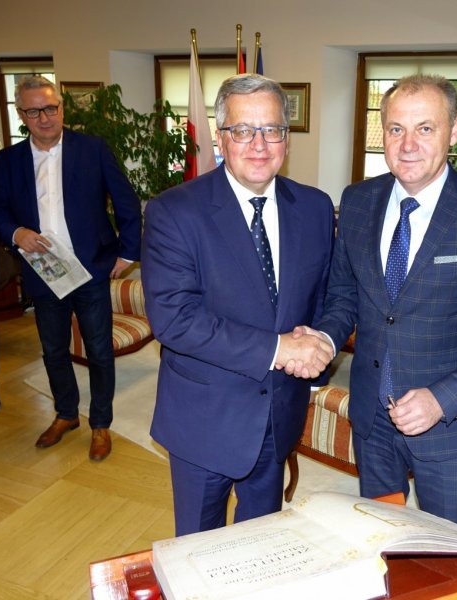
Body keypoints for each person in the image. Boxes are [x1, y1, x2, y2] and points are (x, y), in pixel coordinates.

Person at [304, 74, 457, 527]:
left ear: (454, 132)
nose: (407, 144)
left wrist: (441, 399)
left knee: (444, 551)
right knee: (382, 533)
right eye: (396, 129)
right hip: (372, 421)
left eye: (425, 128)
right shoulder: (357, 201)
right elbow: (344, 294)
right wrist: (325, 341)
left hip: (452, 426)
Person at [142, 74, 334, 535]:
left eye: (272, 129)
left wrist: (321, 342)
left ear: (287, 137)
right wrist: (279, 348)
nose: (259, 144)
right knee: (198, 551)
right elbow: (175, 319)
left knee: (260, 544)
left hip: (279, 416)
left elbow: (326, 295)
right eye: (243, 130)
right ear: (221, 136)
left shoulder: (315, 207)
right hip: (204, 420)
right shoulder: (174, 211)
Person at [0, 76, 141, 461]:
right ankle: (66, 413)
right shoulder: (8, 160)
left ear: (61, 107)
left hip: (90, 267)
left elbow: (126, 201)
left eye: (50, 108)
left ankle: (100, 423)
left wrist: (128, 253)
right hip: (43, 271)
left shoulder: (92, 149)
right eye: (33, 111)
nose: (44, 117)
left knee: (99, 351)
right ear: (21, 114)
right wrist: (16, 233)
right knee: (53, 349)